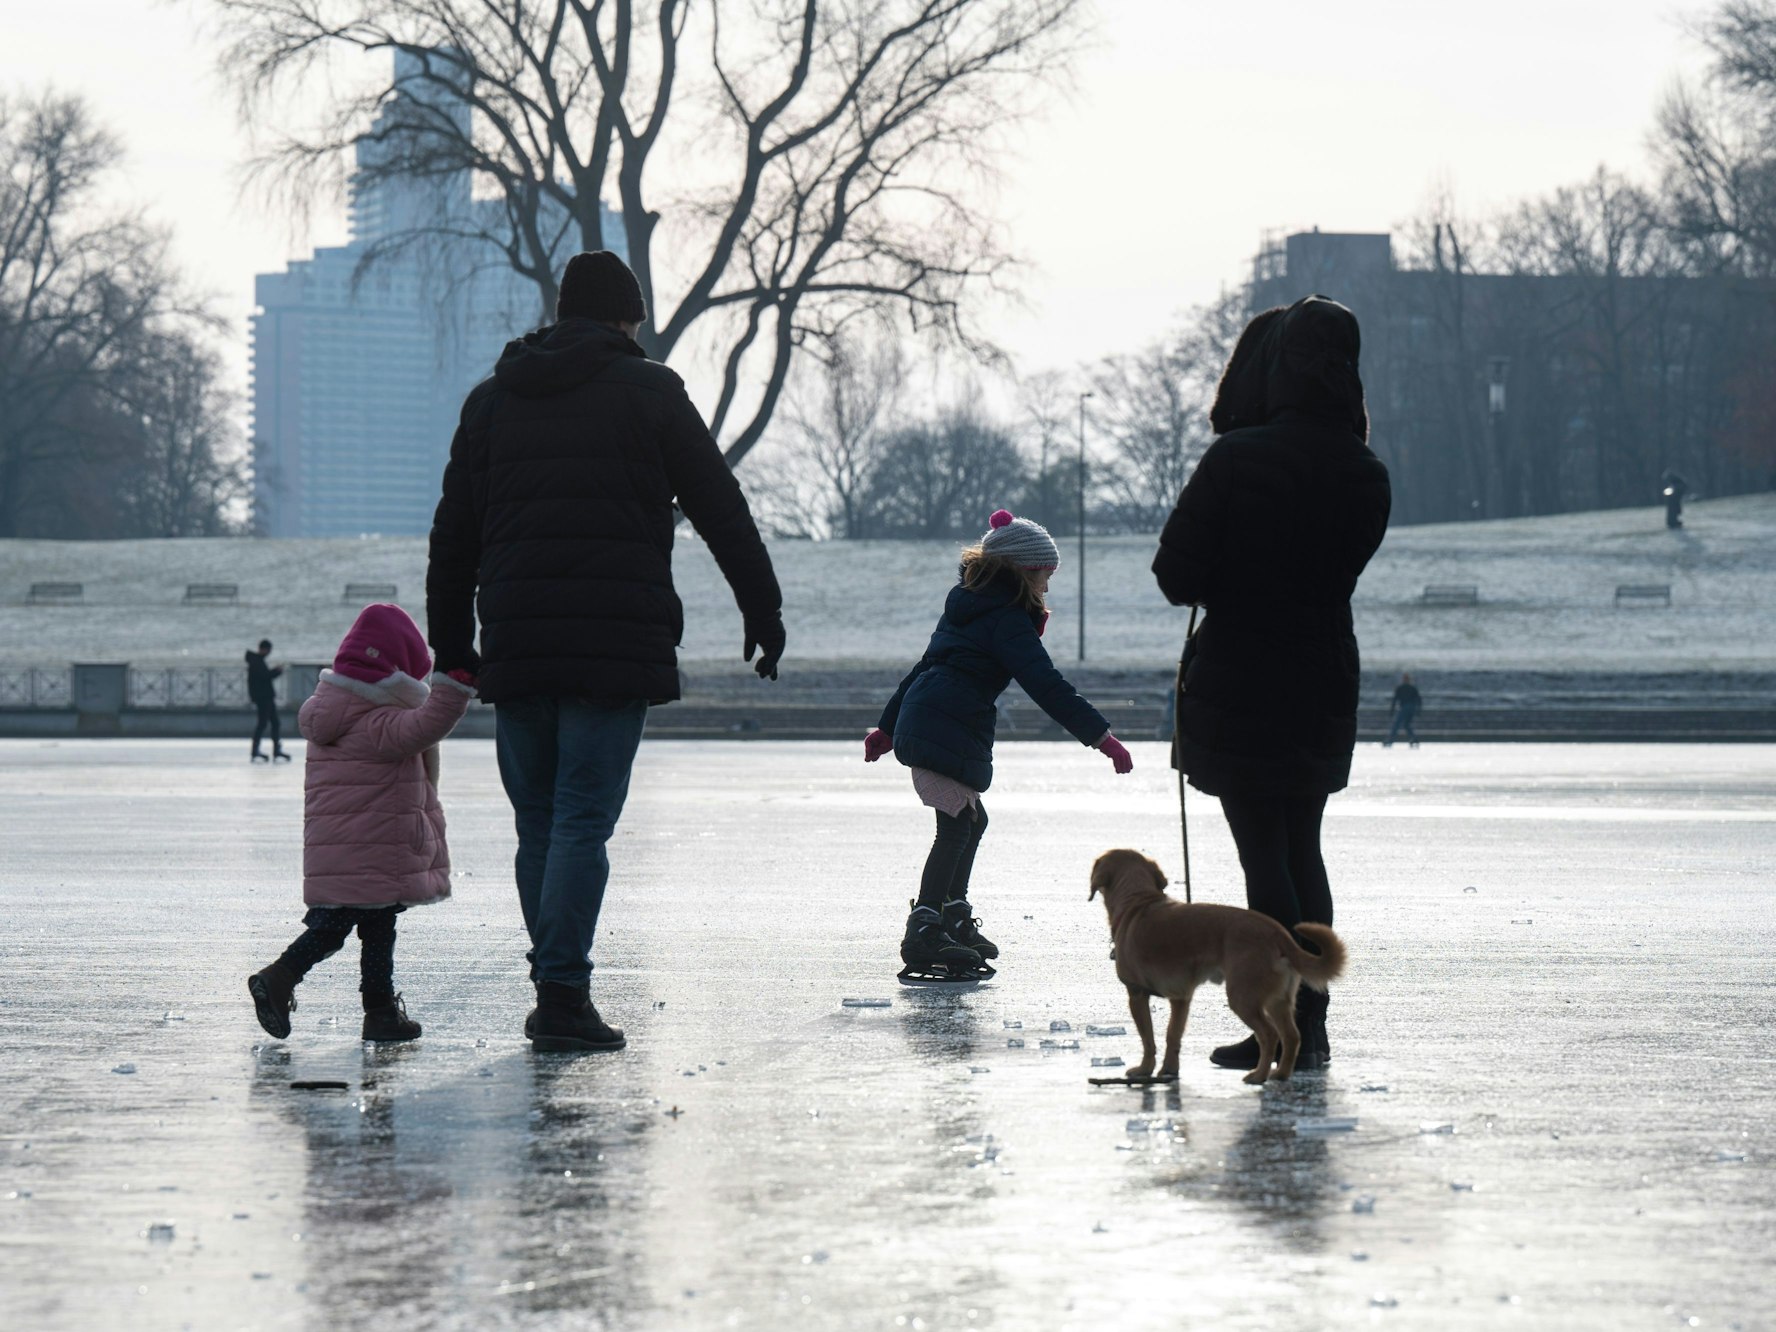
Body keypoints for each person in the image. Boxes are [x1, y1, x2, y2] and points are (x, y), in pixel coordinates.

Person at [426, 250, 784, 1053]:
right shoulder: (651, 393)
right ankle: (563, 995)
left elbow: (453, 538)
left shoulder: (490, 403)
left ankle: (555, 985)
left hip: (516, 640)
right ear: (625, 318)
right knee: (583, 820)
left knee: (540, 826)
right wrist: (762, 609)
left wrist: (452, 643)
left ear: (561, 315)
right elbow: (720, 507)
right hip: (613, 641)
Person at [1151, 295, 1391, 1071]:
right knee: (1302, 846)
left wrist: (1232, 568)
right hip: (1323, 674)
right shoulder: (1366, 471)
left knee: (1264, 855)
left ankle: (1283, 1028)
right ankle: (1307, 1025)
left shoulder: (1237, 458)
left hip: (1244, 673)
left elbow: (1176, 574)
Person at [866, 509, 1135, 983]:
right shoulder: (1005, 620)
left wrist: (888, 728)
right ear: (1022, 572)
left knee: (971, 819)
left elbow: (920, 669)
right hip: (943, 725)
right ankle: (926, 926)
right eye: (1044, 576)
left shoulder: (968, 609)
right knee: (956, 825)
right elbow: (1045, 683)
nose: (1047, 588)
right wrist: (1102, 738)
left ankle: (951, 915)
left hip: (934, 719)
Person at [245, 604, 476, 1043]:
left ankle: (381, 1012)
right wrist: (454, 684)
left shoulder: (335, 710)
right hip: (371, 846)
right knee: (335, 929)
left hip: (345, 847)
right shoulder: (376, 719)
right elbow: (427, 725)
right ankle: (278, 977)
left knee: (376, 925)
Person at [246, 639, 290, 762]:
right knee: (264, 724)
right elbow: (264, 677)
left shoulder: (256, 661)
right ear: (264, 649)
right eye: (269, 650)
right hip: (263, 698)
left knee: (273, 723)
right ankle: (258, 750)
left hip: (265, 698)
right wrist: (277, 671)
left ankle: (274, 750)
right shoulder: (256, 662)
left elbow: (263, 676)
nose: (269, 653)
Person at [1385, 672, 1422, 748]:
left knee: (1397, 724)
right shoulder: (1412, 688)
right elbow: (1419, 699)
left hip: (1405, 707)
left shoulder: (1400, 688)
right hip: (1412, 708)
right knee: (1406, 725)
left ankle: (1390, 740)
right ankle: (1414, 739)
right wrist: (1418, 710)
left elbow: (1395, 700)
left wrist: (1392, 710)